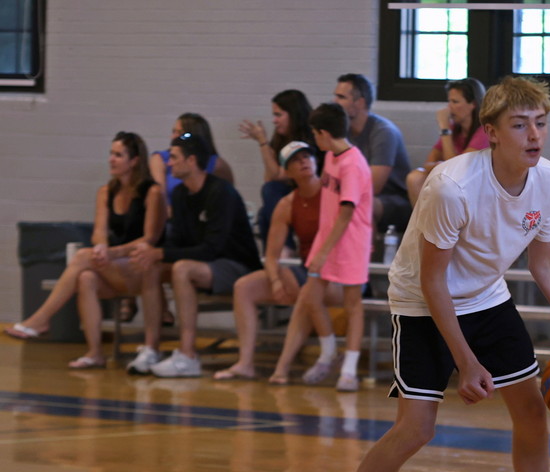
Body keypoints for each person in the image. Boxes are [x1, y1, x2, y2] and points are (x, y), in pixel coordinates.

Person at [287, 76, 550, 472]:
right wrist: (466, 361)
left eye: (540, 123)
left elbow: (546, 266)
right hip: (423, 301)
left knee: (531, 411)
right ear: (492, 132)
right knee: (415, 429)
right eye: (520, 125)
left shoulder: (549, 180)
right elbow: (433, 281)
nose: (534, 134)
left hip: (486, 295)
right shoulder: (452, 186)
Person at [5, 132, 166, 369]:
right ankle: (95, 353)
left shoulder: (152, 192)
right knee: (86, 278)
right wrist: (101, 247)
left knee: (82, 257)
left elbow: (150, 237)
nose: (111, 159)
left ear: (134, 161)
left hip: (143, 267)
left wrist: (113, 252)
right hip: (117, 267)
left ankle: (41, 319)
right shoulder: (106, 192)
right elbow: (99, 231)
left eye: (118, 155)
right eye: (111, 154)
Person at [125, 132, 262, 378]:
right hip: (205, 263)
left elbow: (212, 248)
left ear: (191, 161)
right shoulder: (180, 195)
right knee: (151, 265)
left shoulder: (220, 192)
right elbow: (177, 241)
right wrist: (154, 254)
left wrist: (161, 252)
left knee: (182, 268)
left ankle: (188, 355)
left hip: (237, 265)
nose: (168, 163)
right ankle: (151, 349)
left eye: (174, 157)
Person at [266, 104, 372, 392]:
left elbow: (346, 213)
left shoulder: (353, 164)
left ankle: (349, 370)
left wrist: (323, 251)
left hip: (350, 243)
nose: (315, 139)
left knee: (352, 305)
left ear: (323, 133)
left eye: (315, 134)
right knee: (310, 297)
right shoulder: (330, 157)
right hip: (327, 240)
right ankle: (328, 352)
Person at [213, 141, 340, 381]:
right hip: (308, 271)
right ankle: (245, 363)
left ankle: (283, 367)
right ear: (287, 171)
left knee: (307, 291)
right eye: (296, 160)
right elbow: (271, 256)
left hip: (338, 274)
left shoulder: (333, 195)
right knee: (244, 287)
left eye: (307, 156)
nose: (303, 162)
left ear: (316, 162)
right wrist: (275, 280)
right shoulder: (287, 204)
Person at [333, 73, 413, 234]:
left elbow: (373, 186)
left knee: (360, 203)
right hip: (356, 192)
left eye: (341, 97)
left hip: (394, 200)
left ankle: (366, 249)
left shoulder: (383, 132)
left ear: (360, 102)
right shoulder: (343, 130)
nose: (335, 102)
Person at [239, 89, 315, 242]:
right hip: (291, 193)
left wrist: (263, 143)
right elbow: (269, 177)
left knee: (270, 196)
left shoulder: (310, 137)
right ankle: (279, 251)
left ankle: (284, 247)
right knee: (265, 210)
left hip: (311, 193)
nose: (274, 120)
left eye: (278, 115)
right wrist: (266, 146)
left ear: (293, 115)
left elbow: (276, 175)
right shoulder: (280, 137)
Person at [405, 77, 489, 201]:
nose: (449, 108)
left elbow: (456, 170)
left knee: (445, 183)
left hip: (475, 186)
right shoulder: (454, 129)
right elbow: (428, 164)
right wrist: (440, 166)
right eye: (449, 101)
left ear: (473, 104)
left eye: (455, 102)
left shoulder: (483, 131)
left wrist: (444, 129)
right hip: (452, 182)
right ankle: (425, 215)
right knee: (415, 177)